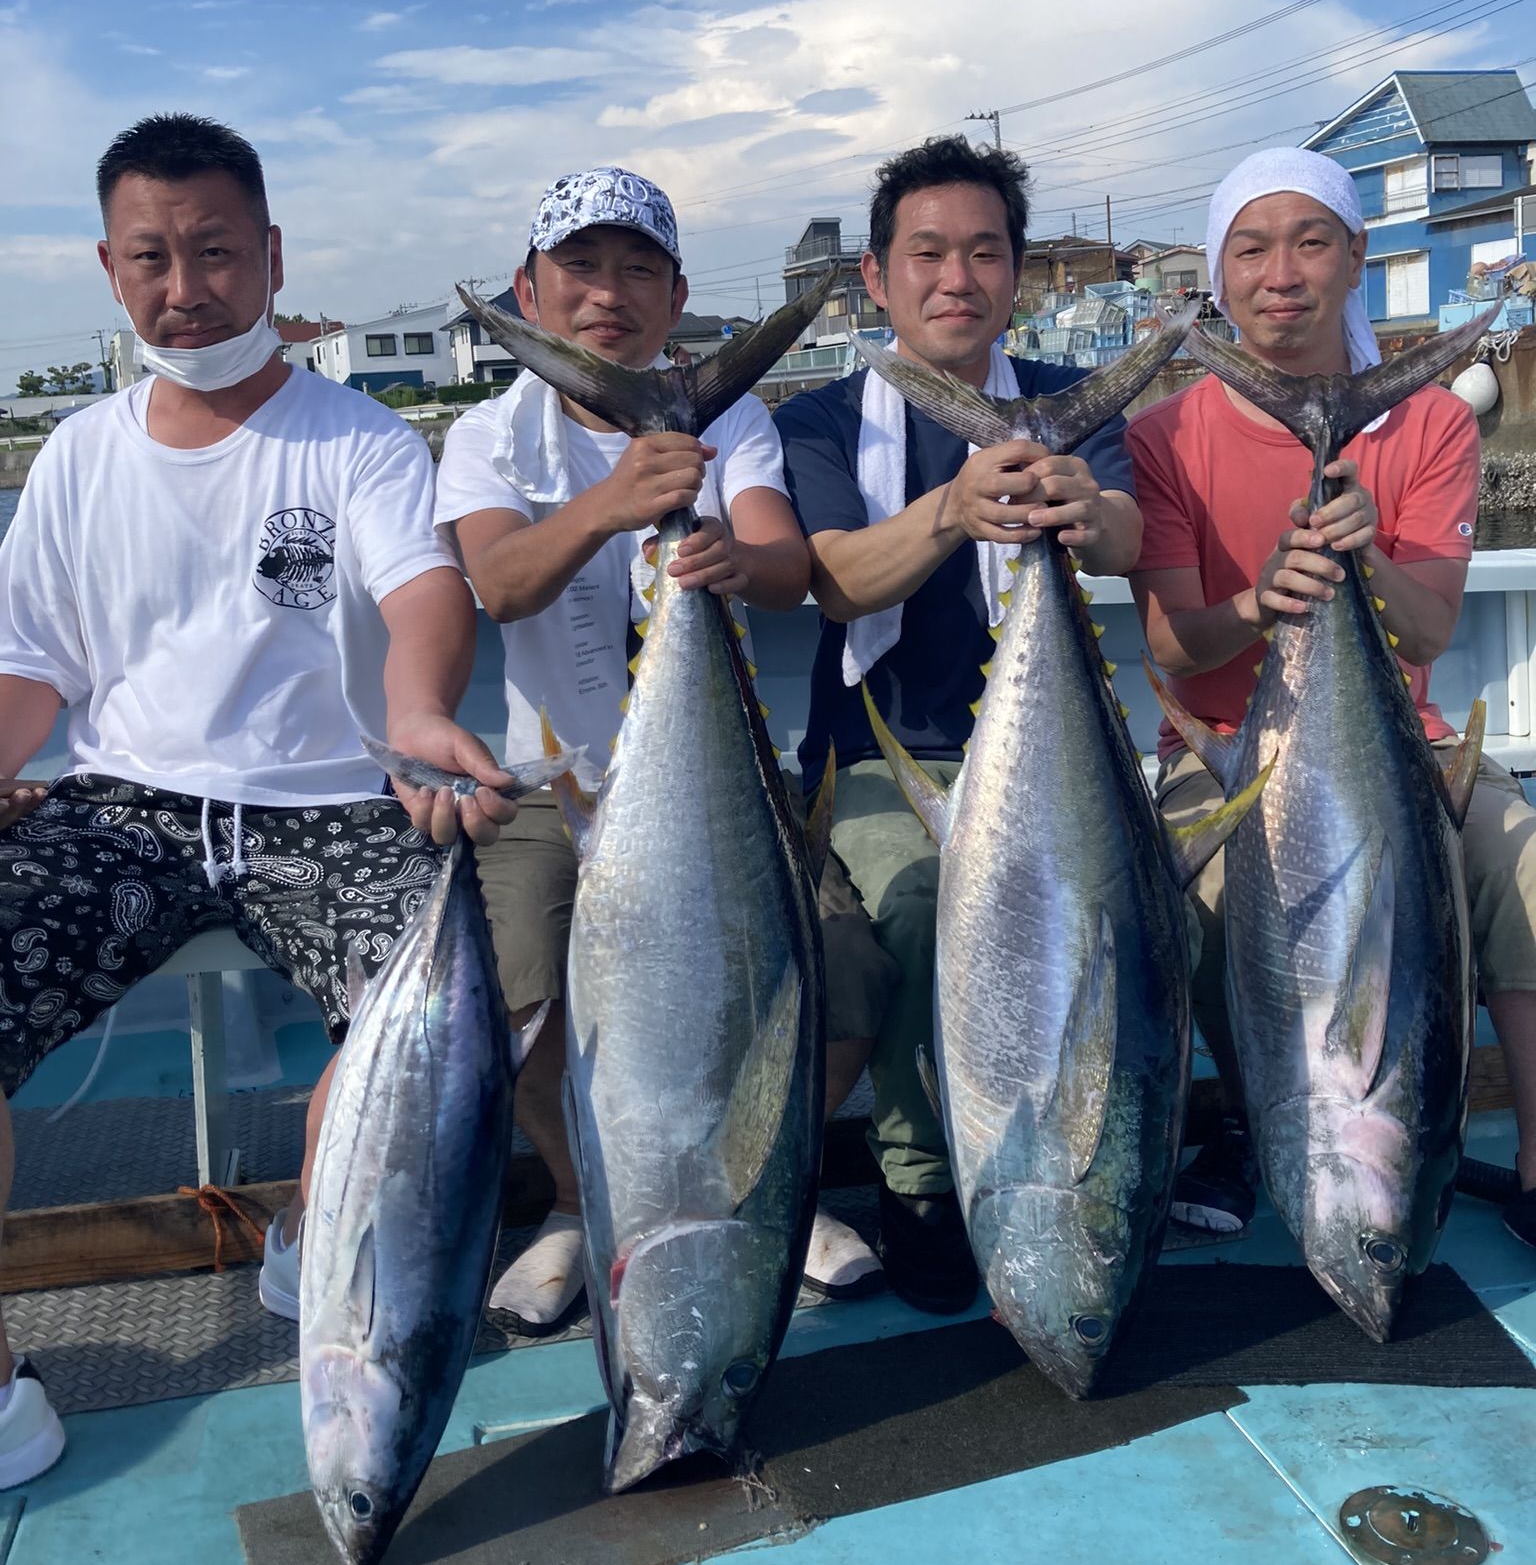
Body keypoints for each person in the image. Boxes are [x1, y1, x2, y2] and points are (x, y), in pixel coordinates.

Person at [0, 114, 516, 1491]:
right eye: (152, 258)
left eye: (217, 252)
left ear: (273, 255)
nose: (187, 289)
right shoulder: (77, 456)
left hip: (330, 799)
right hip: (123, 802)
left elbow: (422, 591)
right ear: (109, 267)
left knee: (425, 1007)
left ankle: (314, 1238)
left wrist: (419, 712)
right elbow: (33, 665)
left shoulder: (360, 440)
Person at [435, 166, 895, 1333]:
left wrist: (736, 558)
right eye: (581, 268)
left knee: (850, 966)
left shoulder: (727, 418)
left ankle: (761, 1175)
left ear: (676, 294)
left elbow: (786, 569)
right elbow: (499, 583)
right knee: (510, 989)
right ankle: (583, 1200)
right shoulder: (489, 435)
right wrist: (611, 501)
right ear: (529, 292)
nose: (609, 293)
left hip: (722, 782)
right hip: (550, 786)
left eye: (638, 269)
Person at [1129, 146, 1536, 1245]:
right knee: (1204, 896)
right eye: (1251, 250)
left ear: (1356, 258)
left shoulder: (1431, 422)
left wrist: (1364, 557)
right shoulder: (1164, 435)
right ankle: (1252, 1117)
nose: (1282, 273)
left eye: (1310, 243)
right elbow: (1171, 646)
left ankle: (1530, 1157)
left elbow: (1432, 629)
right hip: (1223, 750)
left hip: (1405, 747)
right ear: (1219, 274)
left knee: (1526, 866)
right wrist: (1261, 599)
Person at [775, 136, 1144, 1312]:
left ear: (1017, 274)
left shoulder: (1069, 403)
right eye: (927, 253)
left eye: (985, 252)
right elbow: (836, 580)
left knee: (1144, 920)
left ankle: (1094, 1152)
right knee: (927, 902)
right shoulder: (823, 419)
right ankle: (924, 1174)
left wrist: (1087, 507)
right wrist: (951, 507)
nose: (957, 277)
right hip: (880, 757)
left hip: (1051, 753)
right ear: (876, 277)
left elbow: (1129, 538)